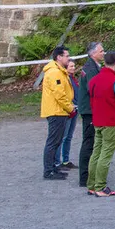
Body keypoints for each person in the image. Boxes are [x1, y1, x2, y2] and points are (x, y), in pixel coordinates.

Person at [86, 50, 115, 197]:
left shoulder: (93, 81)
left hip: (97, 120)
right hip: (110, 121)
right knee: (106, 154)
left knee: (96, 152)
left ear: (104, 62)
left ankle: (91, 184)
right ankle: (100, 186)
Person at [39, 46, 76, 181]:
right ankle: (48, 171)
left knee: (56, 141)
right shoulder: (55, 73)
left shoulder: (59, 71)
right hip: (56, 111)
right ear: (59, 57)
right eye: (66, 56)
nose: (68, 58)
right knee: (53, 141)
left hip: (59, 111)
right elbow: (59, 95)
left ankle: (53, 167)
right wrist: (70, 108)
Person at [71, 42, 105, 181]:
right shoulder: (90, 69)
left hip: (92, 109)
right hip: (90, 111)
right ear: (93, 53)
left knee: (93, 142)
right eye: (101, 51)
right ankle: (84, 177)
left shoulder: (95, 67)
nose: (104, 53)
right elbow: (94, 89)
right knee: (89, 142)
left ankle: (90, 173)